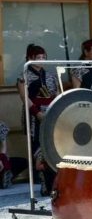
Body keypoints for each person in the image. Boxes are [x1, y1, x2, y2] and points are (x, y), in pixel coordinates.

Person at [17, 44, 60, 194]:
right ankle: (42, 182)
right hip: (34, 116)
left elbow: (56, 94)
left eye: (43, 57)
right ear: (29, 58)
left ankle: (53, 181)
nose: (41, 60)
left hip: (50, 114)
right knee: (37, 147)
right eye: (37, 58)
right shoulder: (24, 77)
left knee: (51, 145)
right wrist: (37, 113)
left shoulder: (50, 76)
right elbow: (25, 98)